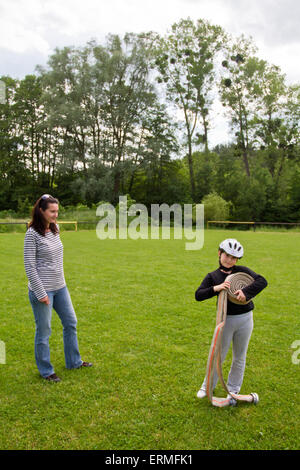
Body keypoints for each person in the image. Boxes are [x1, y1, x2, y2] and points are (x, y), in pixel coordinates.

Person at [24, 194, 92, 382]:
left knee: (71, 322)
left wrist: (60, 282)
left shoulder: (55, 229)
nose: (55, 215)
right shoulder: (32, 234)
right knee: (44, 331)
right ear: (41, 211)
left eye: (57, 211)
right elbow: (29, 265)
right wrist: (40, 293)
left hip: (60, 287)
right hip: (43, 291)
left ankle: (74, 361)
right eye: (52, 211)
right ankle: (46, 371)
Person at [195, 238, 267, 398]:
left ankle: (233, 389)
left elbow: (262, 281)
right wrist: (216, 288)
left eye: (234, 258)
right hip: (226, 320)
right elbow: (198, 295)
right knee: (218, 355)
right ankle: (207, 386)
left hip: (246, 319)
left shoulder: (243, 271)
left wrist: (246, 292)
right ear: (220, 253)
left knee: (240, 356)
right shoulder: (212, 276)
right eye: (227, 255)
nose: (230, 260)